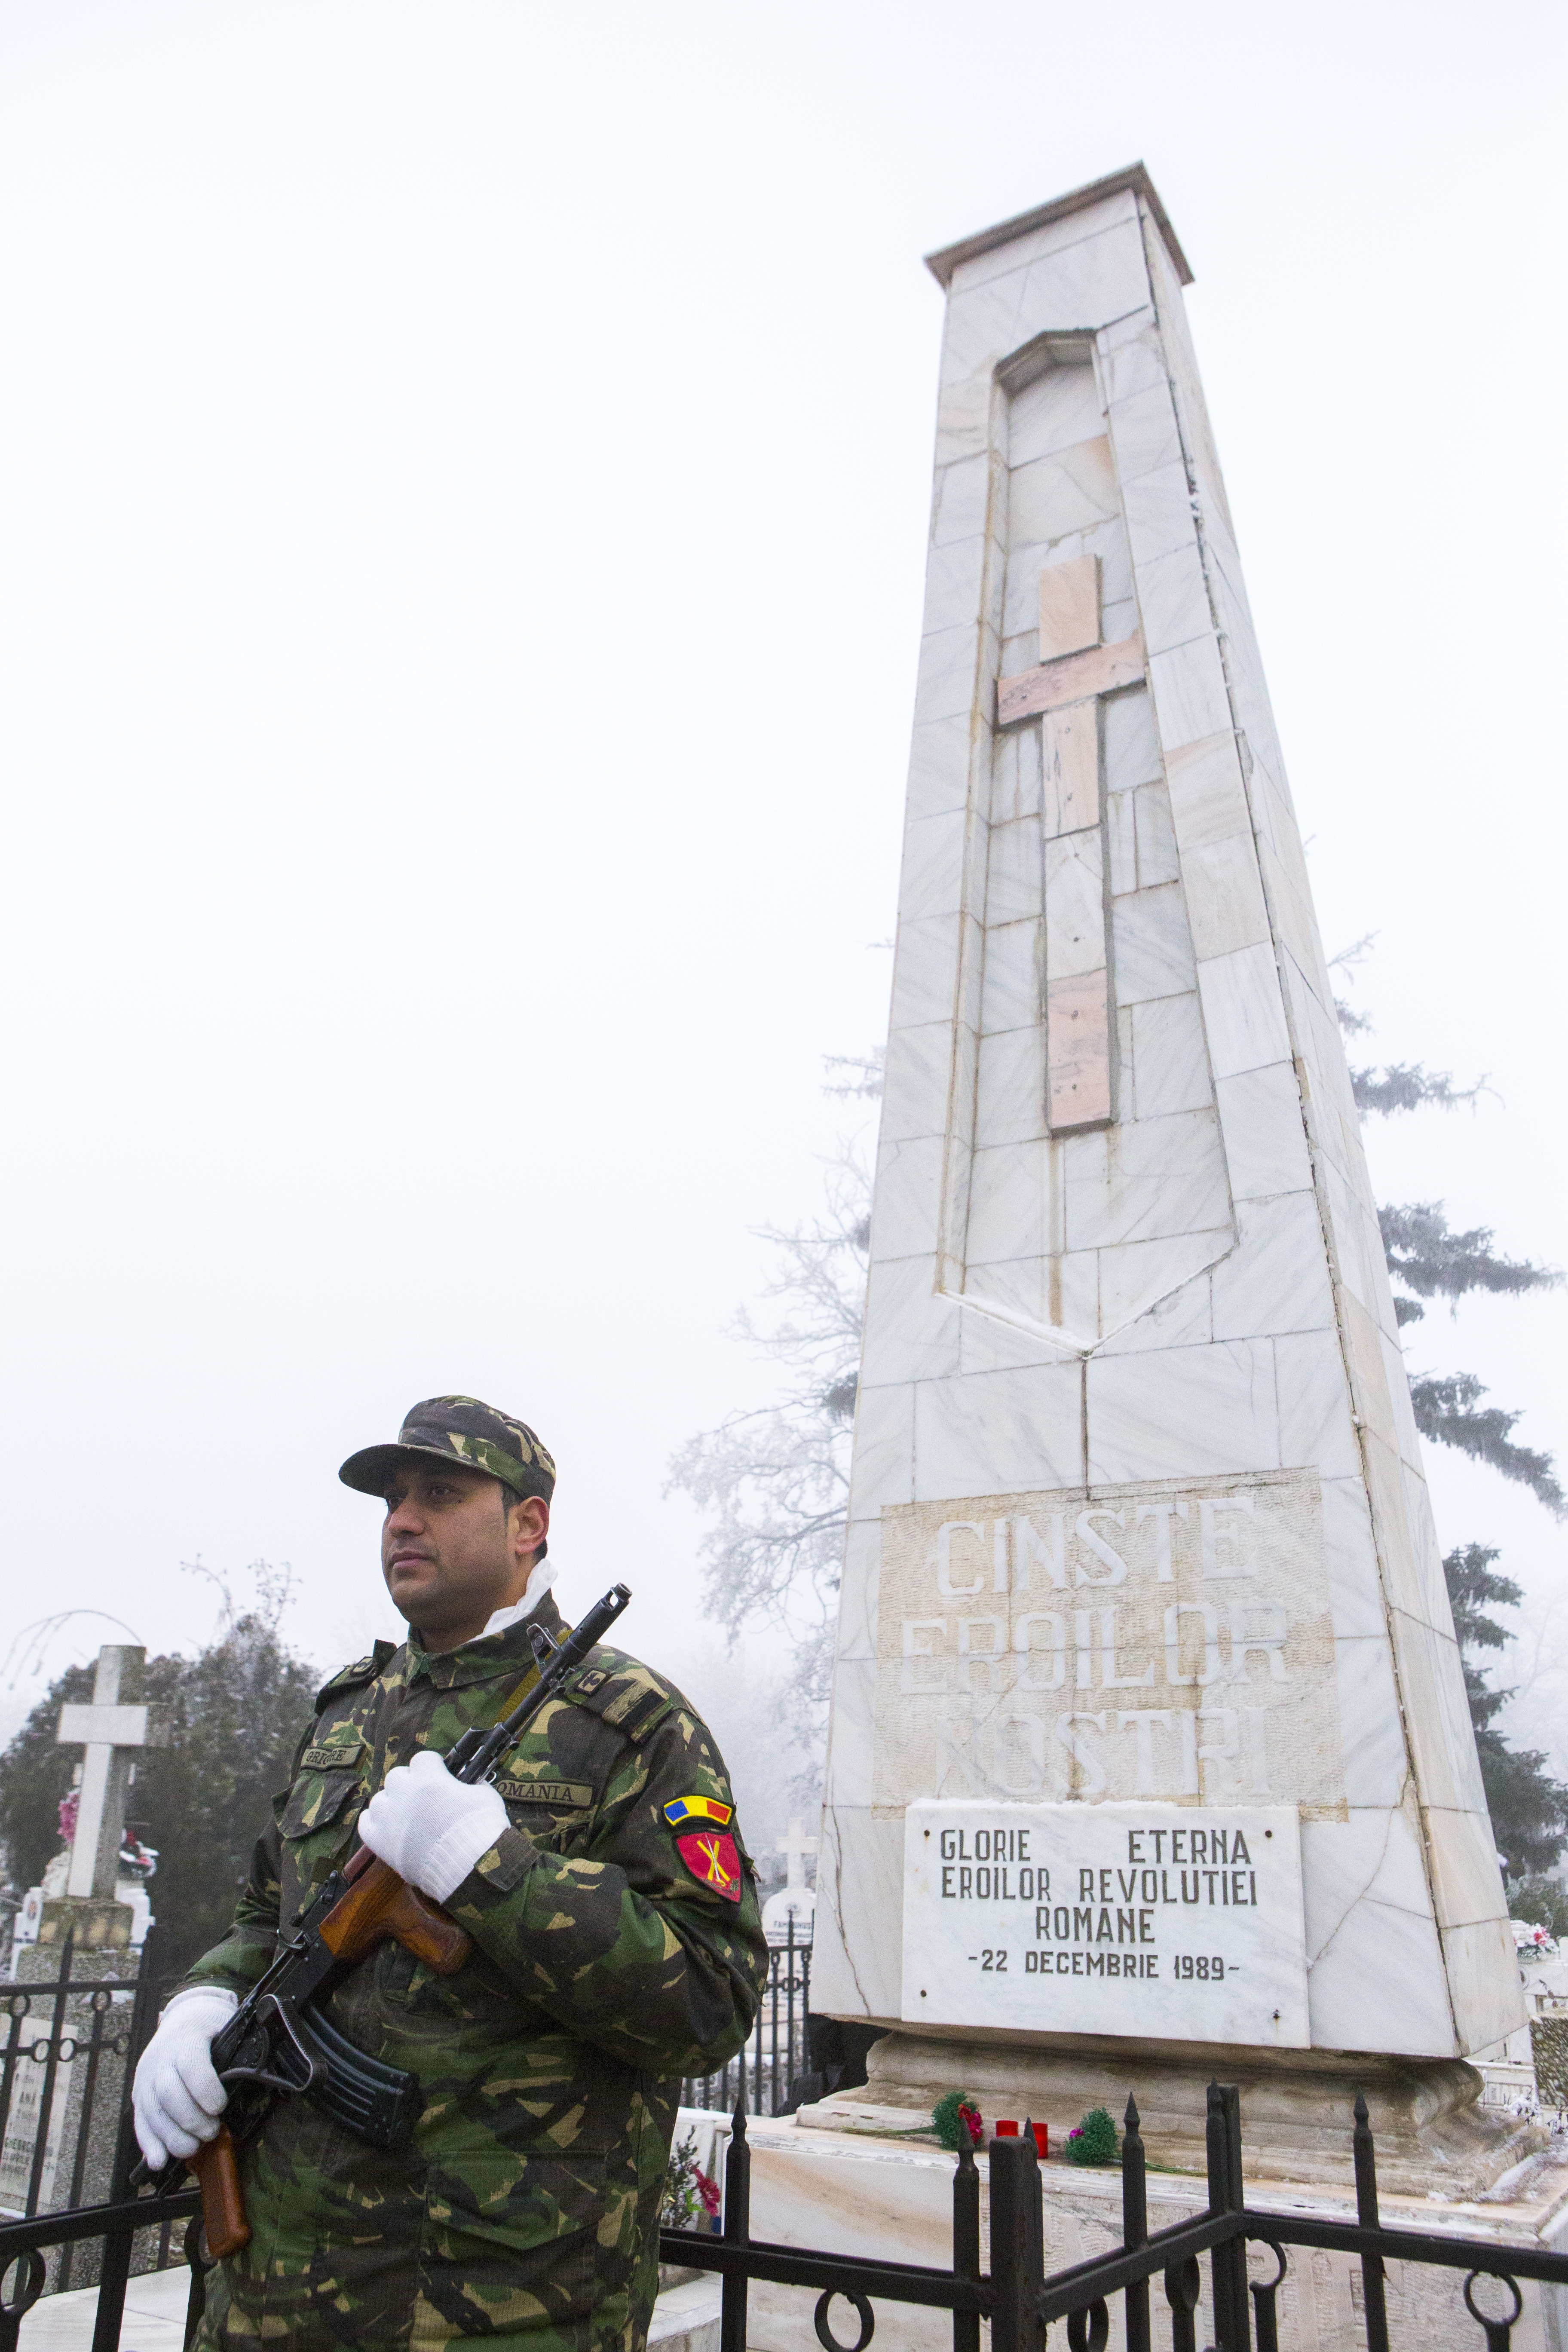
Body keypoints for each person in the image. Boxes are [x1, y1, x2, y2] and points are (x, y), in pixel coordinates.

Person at [132, 1395, 768, 2352]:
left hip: (496, 2305)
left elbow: (711, 1999)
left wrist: (496, 1875)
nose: (402, 1520)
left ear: (528, 1523)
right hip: (270, 2295)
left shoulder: (633, 1724)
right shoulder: (348, 1715)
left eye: (439, 1490)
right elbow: (268, 1916)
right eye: (392, 1499)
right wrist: (200, 2004)